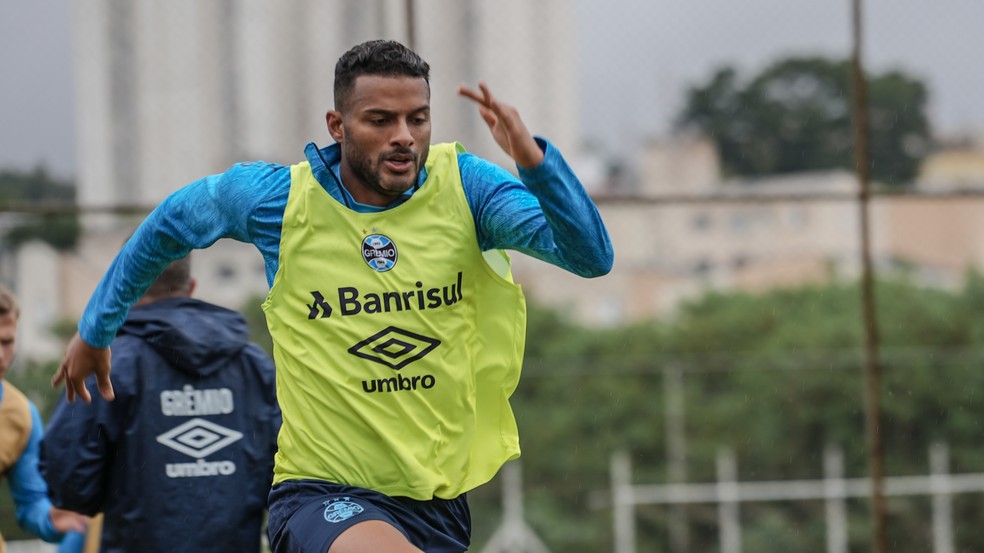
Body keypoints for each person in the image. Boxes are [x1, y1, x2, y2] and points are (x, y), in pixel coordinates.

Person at [52, 39, 613, 553]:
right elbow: (168, 226)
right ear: (338, 125)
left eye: (417, 119)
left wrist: (535, 163)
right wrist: (97, 329)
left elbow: (590, 257)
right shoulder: (276, 201)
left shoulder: (467, 187)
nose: (404, 136)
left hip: (437, 503)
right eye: (380, 120)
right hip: (323, 494)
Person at [41, 255, 281, 553]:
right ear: (191, 286)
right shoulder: (255, 366)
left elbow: (68, 480)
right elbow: (290, 475)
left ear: (122, 287)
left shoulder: (110, 367)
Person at [0, 284, 87, 553]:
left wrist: (51, 518)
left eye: (6, 342)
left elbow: (30, 502)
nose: (1, 355)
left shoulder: (22, 414)